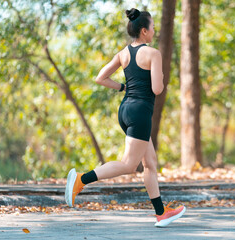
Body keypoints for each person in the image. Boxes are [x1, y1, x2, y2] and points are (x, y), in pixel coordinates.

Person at [65, 8, 186, 227]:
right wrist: (160, 76)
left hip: (126, 110)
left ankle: (161, 213)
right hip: (140, 112)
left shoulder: (123, 53)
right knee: (129, 164)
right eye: (152, 27)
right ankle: (81, 179)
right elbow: (157, 89)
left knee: (150, 162)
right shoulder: (153, 54)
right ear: (144, 31)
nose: (154, 30)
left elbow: (101, 77)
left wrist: (123, 86)